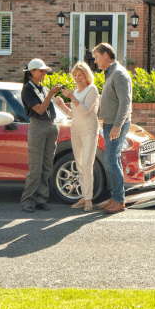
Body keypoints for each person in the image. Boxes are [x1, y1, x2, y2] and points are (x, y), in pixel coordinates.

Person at [19, 58, 71, 213]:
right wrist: (50, 94)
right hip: (38, 126)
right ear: (32, 71)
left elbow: (49, 106)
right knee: (35, 168)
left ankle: (41, 199)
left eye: (44, 71)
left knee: (47, 166)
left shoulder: (42, 88)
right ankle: (27, 201)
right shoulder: (27, 89)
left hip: (50, 126)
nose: (44, 73)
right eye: (41, 71)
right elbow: (40, 110)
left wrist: (57, 98)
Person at [91, 42, 132, 213]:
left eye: (97, 57)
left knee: (110, 161)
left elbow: (125, 102)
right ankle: (115, 197)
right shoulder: (111, 73)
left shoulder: (119, 74)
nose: (95, 61)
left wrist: (116, 126)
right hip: (109, 123)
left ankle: (119, 200)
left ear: (106, 55)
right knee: (111, 161)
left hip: (116, 124)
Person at [66, 61, 101, 213]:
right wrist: (62, 104)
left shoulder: (91, 89)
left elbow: (86, 110)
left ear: (87, 75)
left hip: (89, 130)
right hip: (76, 131)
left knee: (87, 164)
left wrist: (72, 97)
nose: (77, 78)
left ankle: (88, 200)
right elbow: (74, 114)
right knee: (79, 164)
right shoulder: (76, 91)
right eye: (75, 75)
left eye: (80, 75)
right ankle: (84, 196)